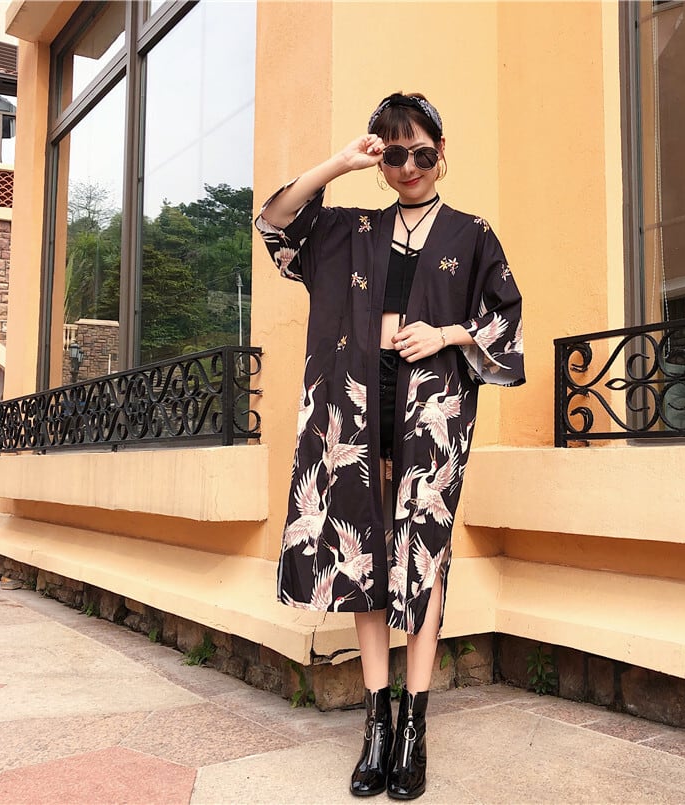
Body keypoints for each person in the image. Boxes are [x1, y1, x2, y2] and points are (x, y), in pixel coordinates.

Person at [255, 92, 524, 800]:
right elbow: (276, 222)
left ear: (442, 151)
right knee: (362, 545)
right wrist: (340, 163)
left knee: (425, 554)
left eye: (422, 152)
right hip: (353, 396)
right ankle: (377, 721)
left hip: (431, 403)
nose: (409, 167)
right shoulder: (350, 228)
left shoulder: (471, 233)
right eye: (394, 154)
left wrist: (446, 334)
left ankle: (414, 725)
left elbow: (505, 317)